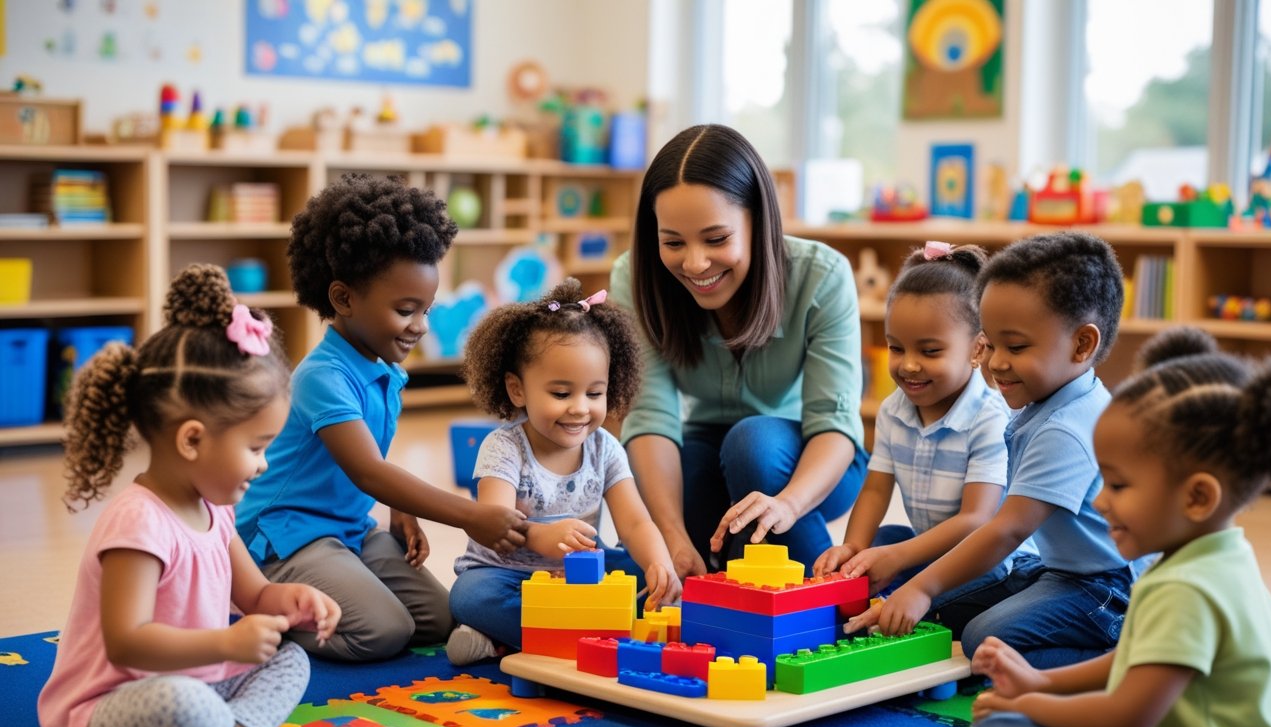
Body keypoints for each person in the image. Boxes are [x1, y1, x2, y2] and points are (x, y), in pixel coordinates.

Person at [967, 326, 1271, 727]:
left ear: (1196, 497)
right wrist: (1043, 683)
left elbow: (1123, 722)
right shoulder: (1212, 557)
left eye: (1117, 484)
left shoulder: (1187, 589)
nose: (1099, 501)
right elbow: (1130, 659)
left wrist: (1027, 705)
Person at [38, 264, 340, 727]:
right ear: (193, 439)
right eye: (256, 447)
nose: (264, 464)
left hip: (199, 682)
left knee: (291, 660)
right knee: (185, 704)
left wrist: (292, 599)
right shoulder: (139, 523)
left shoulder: (216, 511)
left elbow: (255, 595)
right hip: (106, 711)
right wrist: (226, 642)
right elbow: (127, 642)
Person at [235, 174, 527, 662]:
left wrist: (399, 507)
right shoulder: (320, 377)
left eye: (427, 310)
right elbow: (368, 470)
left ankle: (334, 590)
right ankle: (256, 614)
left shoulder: (384, 368)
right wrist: (472, 516)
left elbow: (369, 462)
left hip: (348, 529)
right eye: (406, 310)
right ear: (344, 299)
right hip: (286, 537)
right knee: (384, 631)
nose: (421, 326)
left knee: (438, 618)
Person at [844, 231, 1132, 669]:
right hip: (1056, 571)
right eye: (991, 344)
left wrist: (920, 588)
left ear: (1082, 344)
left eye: (1015, 347)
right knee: (952, 611)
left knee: (984, 638)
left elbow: (1006, 530)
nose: (996, 362)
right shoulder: (1052, 400)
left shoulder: (1066, 428)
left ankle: (1122, 659)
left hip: (1104, 590)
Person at [608, 123, 867, 578]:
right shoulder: (634, 278)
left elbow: (835, 426)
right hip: (704, 447)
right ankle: (730, 574)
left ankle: (826, 594)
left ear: (757, 221)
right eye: (673, 242)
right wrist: (672, 537)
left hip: (807, 459)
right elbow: (649, 418)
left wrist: (788, 504)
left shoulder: (822, 275)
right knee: (661, 518)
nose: (694, 263)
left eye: (716, 239)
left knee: (752, 444)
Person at [446, 278, 683, 665]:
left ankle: (531, 640)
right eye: (561, 394)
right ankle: (595, 635)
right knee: (469, 596)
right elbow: (495, 523)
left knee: (653, 580)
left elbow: (636, 524)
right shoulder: (503, 448)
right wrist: (539, 536)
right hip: (509, 576)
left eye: (594, 393)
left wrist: (659, 563)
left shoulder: (605, 448)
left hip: (583, 577)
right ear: (517, 390)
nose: (579, 408)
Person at [813, 242, 1012, 604]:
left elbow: (975, 519)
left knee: (921, 584)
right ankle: (897, 592)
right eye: (896, 347)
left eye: (930, 351)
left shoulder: (989, 419)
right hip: (929, 548)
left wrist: (897, 559)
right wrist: (853, 548)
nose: (908, 365)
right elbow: (875, 489)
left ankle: (913, 598)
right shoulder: (893, 410)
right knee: (883, 540)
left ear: (977, 350)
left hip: (985, 559)